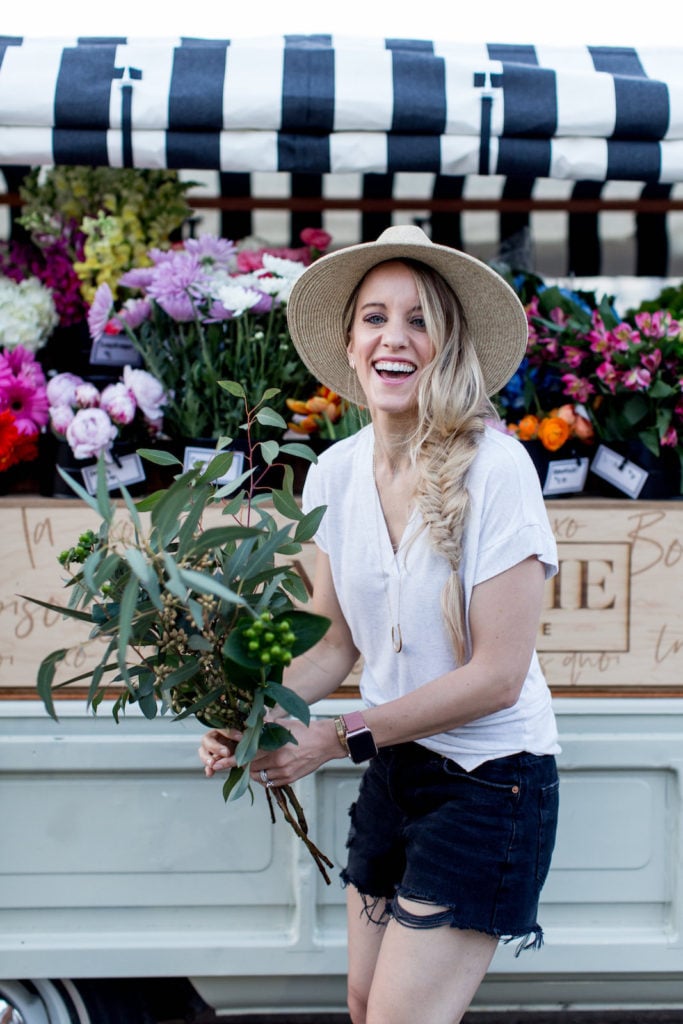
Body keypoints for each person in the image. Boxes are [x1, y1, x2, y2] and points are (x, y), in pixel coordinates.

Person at [199, 225, 561, 1024]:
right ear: (350, 342)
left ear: (447, 343)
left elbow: (497, 677)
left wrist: (334, 738)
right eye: (374, 317)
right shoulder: (334, 471)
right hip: (397, 770)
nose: (393, 338)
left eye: (419, 319)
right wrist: (254, 719)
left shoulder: (496, 470)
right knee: (365, 1009)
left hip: (488, 782)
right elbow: (331, 641)